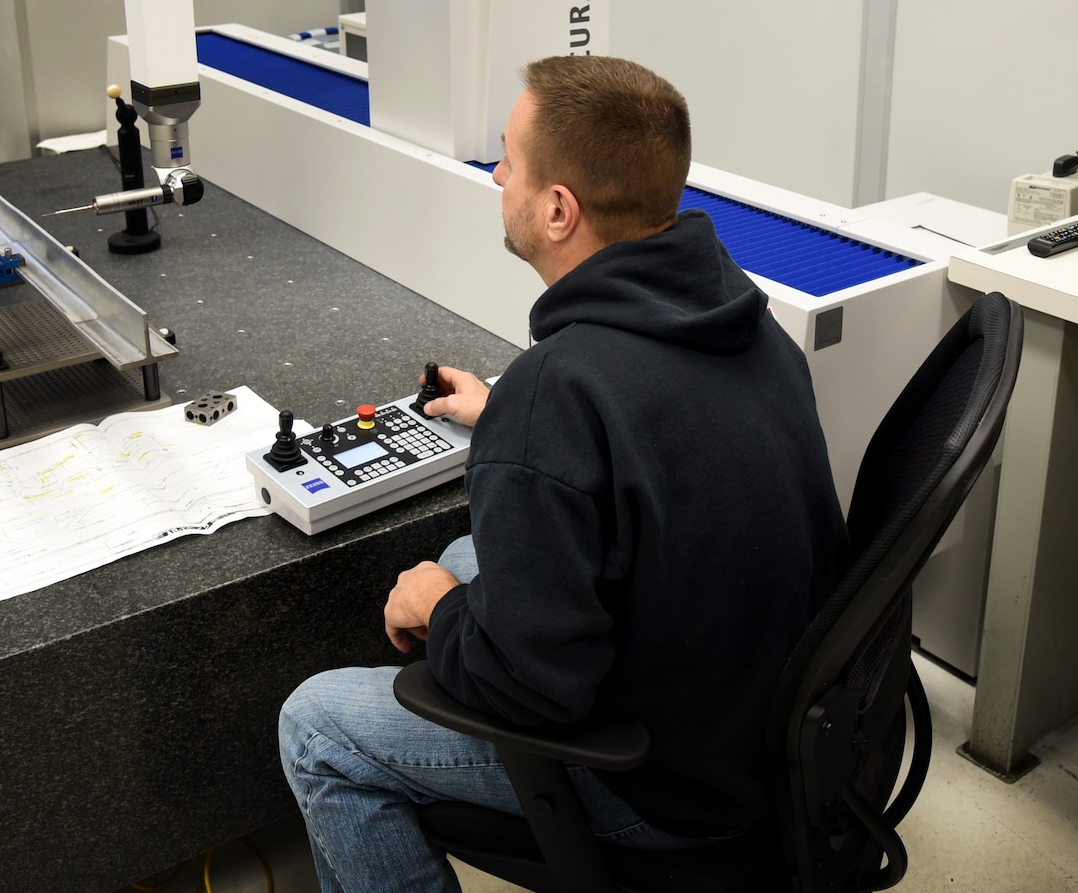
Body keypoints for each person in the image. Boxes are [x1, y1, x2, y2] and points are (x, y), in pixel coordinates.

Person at [278, 55, 847, 893]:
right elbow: (658, 439)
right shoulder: (745, 319)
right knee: (472, 551)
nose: (498, 173)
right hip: (774, 730)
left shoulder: (558, 396)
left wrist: (439, 613)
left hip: (668, 784)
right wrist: (505, 422)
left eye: (509, 157)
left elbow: (534, 687)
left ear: (557, 208)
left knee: (316, 724)